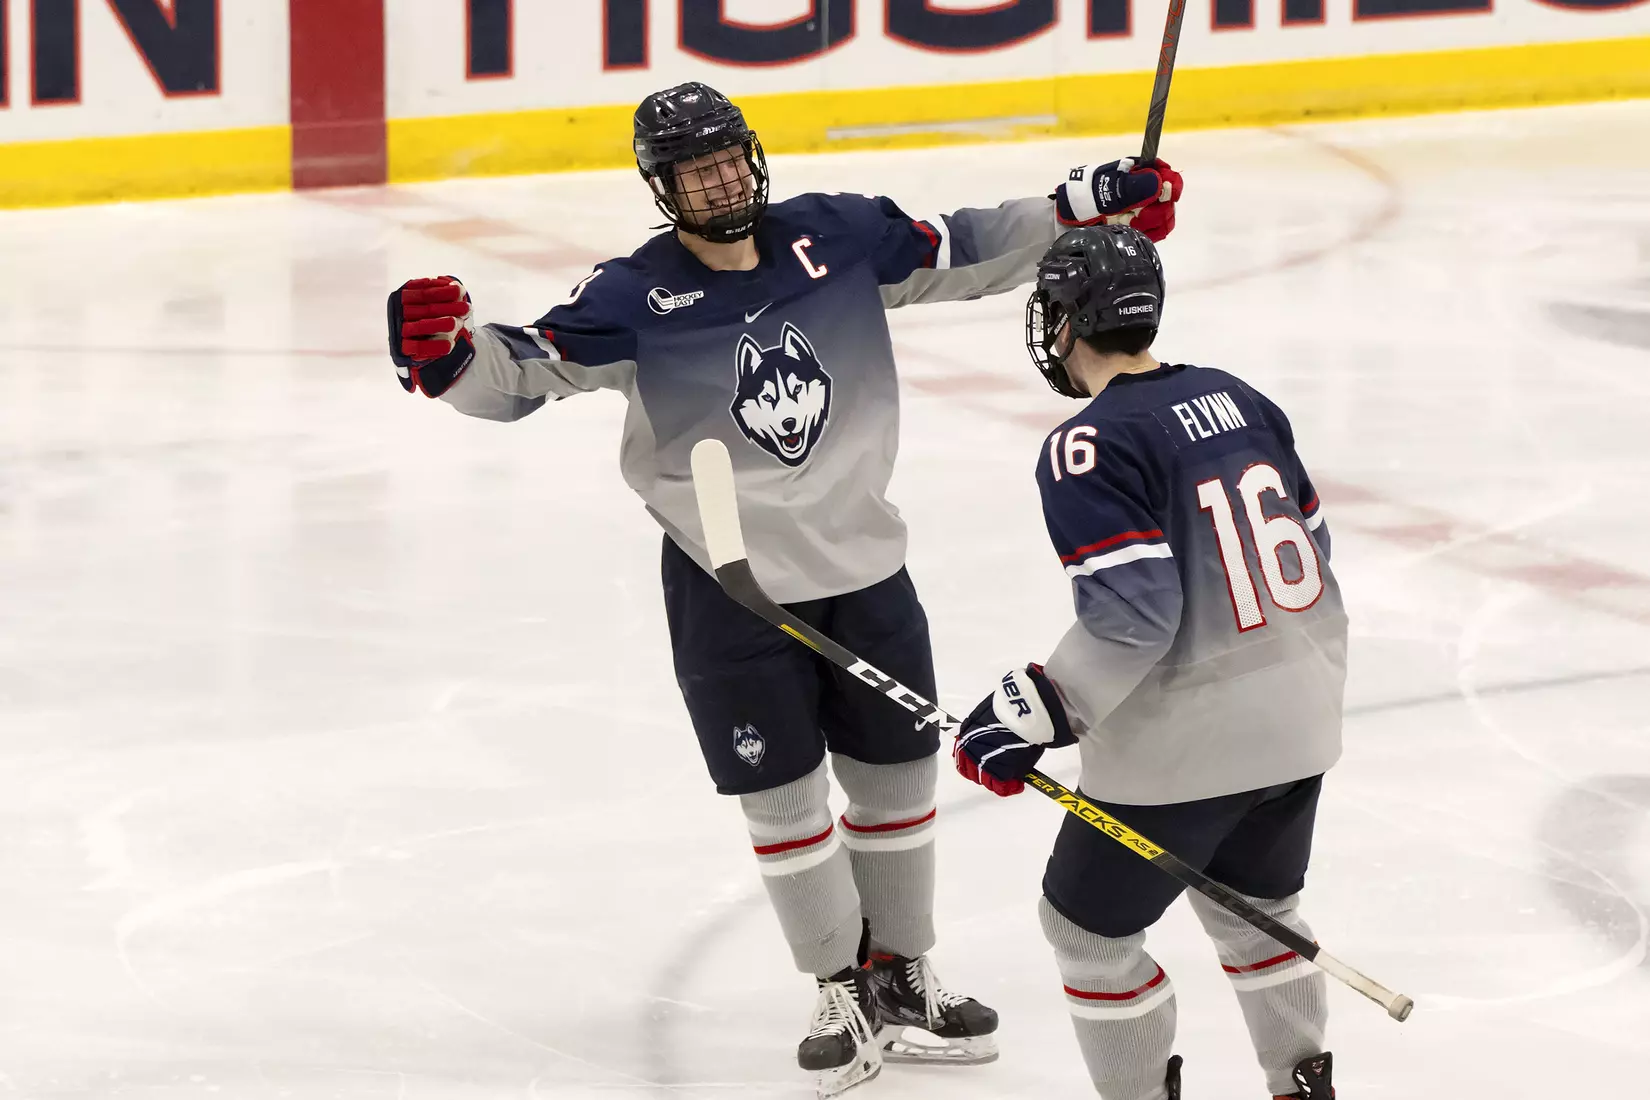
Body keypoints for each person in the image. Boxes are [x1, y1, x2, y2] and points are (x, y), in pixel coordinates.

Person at [385, 82, 1183, 1096]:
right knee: (784, 796)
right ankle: (837, 982)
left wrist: (1085, 210)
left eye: (728, 157)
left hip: (863, 560)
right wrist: (446, 356)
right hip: (732, 584)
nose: (718, 180)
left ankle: (903, 970)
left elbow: (964, 245)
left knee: (896, 780)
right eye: (693, 169)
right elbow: (522, 370)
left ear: (752, 157)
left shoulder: (834, 238)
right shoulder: (634, 296)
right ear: (662, 186)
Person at [953, 225, 1346, 1100]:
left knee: (1088, 934)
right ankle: (1300, 1087)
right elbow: (1317, 552)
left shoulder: (1085, 445)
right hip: (1300, 722)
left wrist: (1034, 710)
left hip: (1187, 752)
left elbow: (1133, 615)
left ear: (1066, 321)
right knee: (1262, 916)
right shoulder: (1240, 399)